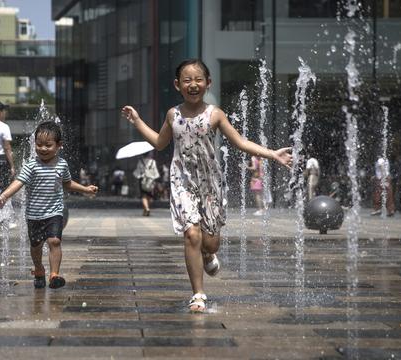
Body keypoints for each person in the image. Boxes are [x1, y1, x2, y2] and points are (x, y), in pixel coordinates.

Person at [121, 59, 292, 313]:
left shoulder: (215, 114)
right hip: (183, 183)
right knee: (192, 234)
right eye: (187, 80)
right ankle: (198, 294)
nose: (193, 85)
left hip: (211, 184)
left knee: (210, 243)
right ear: (177, 85)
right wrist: (137, 121)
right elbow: (159, 143)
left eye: (198, 80)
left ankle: (208, 255)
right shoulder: (173, 115)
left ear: (208, 83)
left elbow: (240, 142)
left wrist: (272, 154)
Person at [0, 121, 99, 289]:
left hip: (54, 212)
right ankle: (38, 269)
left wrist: (85, 189)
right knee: (36, 247)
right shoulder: (31, 164)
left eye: (48, 145)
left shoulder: (62, 164)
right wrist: (5, 195)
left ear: (59, 145)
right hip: (34, 214)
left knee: (54, 241)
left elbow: (67, 183)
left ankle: (54, 275)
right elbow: (19, 182)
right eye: (39, 144)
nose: (42, 148)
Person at [0, 102, 17, 229]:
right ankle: (4, 219)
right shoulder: (3, 126)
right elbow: (7, 147)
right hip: (2, 162)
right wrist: (12, 166)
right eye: (5, 111)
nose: (5, 114)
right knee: (5, 190)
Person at [133, 152, 159, 216]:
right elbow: (155, 172)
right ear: (149, 154)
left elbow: (138, 171)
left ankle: (146, 209)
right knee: (149, 195)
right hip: (151, 180)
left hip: (143, 180)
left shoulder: (140, 161)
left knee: (143, 195)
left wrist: (138, 175)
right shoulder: (153, 162)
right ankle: (146, 209)